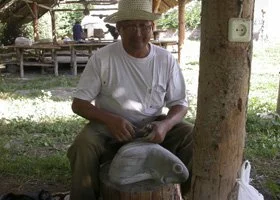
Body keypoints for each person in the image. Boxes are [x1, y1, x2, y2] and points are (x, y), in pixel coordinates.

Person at [67, 0, 193, 199]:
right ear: (119, 28)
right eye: (131, 26)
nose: (139, 32)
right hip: (109, 127)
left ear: (152, 27)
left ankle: (184, 193)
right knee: (83, 146)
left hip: (152, 126)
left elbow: (180, 104)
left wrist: (166, 125)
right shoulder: (102, 58)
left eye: (144, 26)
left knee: (191, 135)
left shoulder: (165, 59)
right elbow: (79, 104)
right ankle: (85, 195)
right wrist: (111, 120)